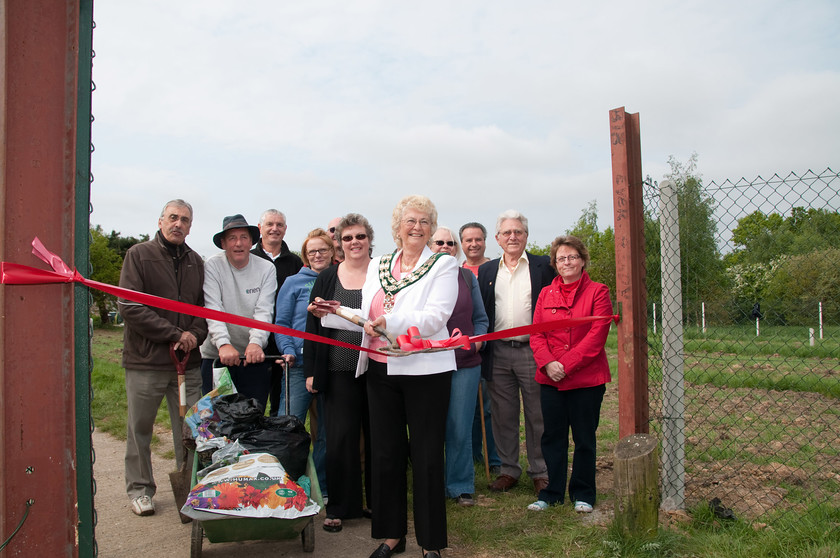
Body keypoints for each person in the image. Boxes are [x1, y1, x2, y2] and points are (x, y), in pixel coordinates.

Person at [310, 195, 458, 558]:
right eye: (410, 220)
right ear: (397, 227)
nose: (417, 227)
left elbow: (436, 316)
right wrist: (332, 312)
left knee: (425, 457)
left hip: (426, 370)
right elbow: (367, 310)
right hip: (379, 367)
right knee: (386, 454)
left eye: (424, 221)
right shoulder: (381, 263)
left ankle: (431, 543)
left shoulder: (443, 265)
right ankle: (391, 536)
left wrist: (389, 323)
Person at [117, 199, 207, 516]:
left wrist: (194, 335)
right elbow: (129, 307)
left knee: (191, 430)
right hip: (147, 363)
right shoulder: (139, 255)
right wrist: (173, 334)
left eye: (184, 220)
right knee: (140, 428)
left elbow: (202, 310)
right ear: (160, 221)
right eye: (172, 217)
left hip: (187, 365)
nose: (178, 224)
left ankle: (192, 489)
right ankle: (141, 490)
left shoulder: (197, 262)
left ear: (190, 226)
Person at [526, 236, 613, 513]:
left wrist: (567, 363)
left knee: (584, 437)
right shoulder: (545, 294)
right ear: (555, 264)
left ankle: (583, 493)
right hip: (550, 378)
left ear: (583, 260)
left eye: (572, 257)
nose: (567, 262)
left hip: (586, 379)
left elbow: (597, 335)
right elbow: (536, 334)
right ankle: (551, 493)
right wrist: (549, 363)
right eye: (561, 258)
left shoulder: (599, 292)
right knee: (552, 437)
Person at [304, 213, 374, 533]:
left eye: (360, 236)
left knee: (379, 438)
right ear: (339, 243)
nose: (354, 242)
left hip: (379, 371)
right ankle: (341, 506)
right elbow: (312, 326)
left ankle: (378, 502)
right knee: (340, 439)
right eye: (347, 238)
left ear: (369, 239)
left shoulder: (383, 274)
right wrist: (311, 372)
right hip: (339, 370)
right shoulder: (328, 276)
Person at [477, 209, 555, 495]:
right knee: (503, 414)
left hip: (533, 350)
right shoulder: (486, 271)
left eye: (518, 232)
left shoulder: (544, 267)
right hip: (497, 354)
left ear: (526, 236)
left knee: (538, 414)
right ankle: (508, 470)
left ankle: (541, 471)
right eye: (507, 232)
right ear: (497, 239)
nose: (513, 237)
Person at [273, 228, 335, 496]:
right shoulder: (293, 283)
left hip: (331, 366)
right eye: (312, 252)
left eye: (323, 250)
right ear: (305, 257)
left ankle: (321, 485)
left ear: (332, 253)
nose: (318, 255)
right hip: (298, 365)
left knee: (327, 431)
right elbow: (282, 323)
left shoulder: (340, 280)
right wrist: (287, 349)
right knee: (288, 426)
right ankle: (284, 483)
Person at [431, 227, 489, 507]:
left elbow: (481, 319)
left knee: (459, 425)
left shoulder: (466, 276)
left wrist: (477, 343)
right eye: (439, 242)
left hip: (464, 363)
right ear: (430, 246)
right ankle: (431, 482)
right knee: (431, 425)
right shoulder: (417, 277)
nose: (445, 246)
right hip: (427, 363)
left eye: (450, 243)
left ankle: (459, 485)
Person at [199, 214, 277, 408]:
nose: (238, 243)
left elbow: (264, 310)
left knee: (253, 417)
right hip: (217, 355)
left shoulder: (266, 268)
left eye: (243, 237)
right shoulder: (212, 266)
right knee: (217, 419)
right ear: (224, 243)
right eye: (232, 238)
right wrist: (223, 344)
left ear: (251, 242)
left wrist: (256, 342)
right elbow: (213, 307)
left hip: (254, 356)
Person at [251, 209, 303, 416]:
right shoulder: (250, 258)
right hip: (255, 342)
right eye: (270, 224)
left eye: (279, 225)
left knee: (281, 405)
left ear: (285, 229)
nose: (275, 229)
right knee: (254, 402)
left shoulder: (295, 263)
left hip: (284, 344)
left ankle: (275, 445)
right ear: (260, 228)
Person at [458, 222, 502, 475]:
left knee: (488, 407)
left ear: (486, 241)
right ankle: (475, 455)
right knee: (468, 407)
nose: (473, 244)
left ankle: (494, 458)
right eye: (468, 240)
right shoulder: (457, 270)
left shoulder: (494, 269)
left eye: (478, 239)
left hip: (488, 345)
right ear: (462, 244)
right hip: (462, 349)